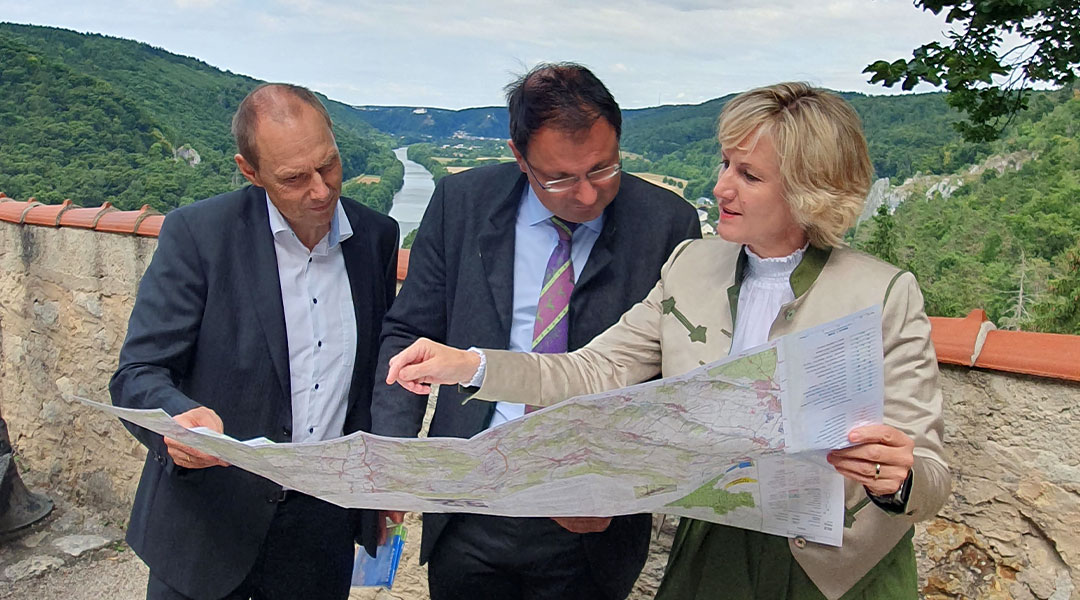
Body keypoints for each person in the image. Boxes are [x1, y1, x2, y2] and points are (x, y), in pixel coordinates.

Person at [385, 82, 951, 600]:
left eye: (749, 176)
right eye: (726, 164)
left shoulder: (882, 293)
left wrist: (897, 479)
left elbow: (930, 475)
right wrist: (472, 365)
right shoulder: (691, 265)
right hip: (712, 548)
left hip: (833, 573)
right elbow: (593, 369)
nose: (721, 186)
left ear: (810, 191)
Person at [368, 62, 701, 600]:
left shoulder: (668, 222)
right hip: (471, 502)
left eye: (603, 169)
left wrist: (618, 483)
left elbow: (671, 375)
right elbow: (410, 332)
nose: (587, 195)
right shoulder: (462, 202)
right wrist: (394, 457)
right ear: (519, 157)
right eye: (560, 178)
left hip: (592, 521)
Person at [110, 83, 399, 600]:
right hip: (208, 525)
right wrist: (177, 421)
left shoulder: (377, 237)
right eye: (294, 178)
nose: (321, 191)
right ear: (250, 171)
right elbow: (137, 374)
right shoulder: (198, 235)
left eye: (328, 165)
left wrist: (377, 485)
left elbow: (374, 375)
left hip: (320, 531)